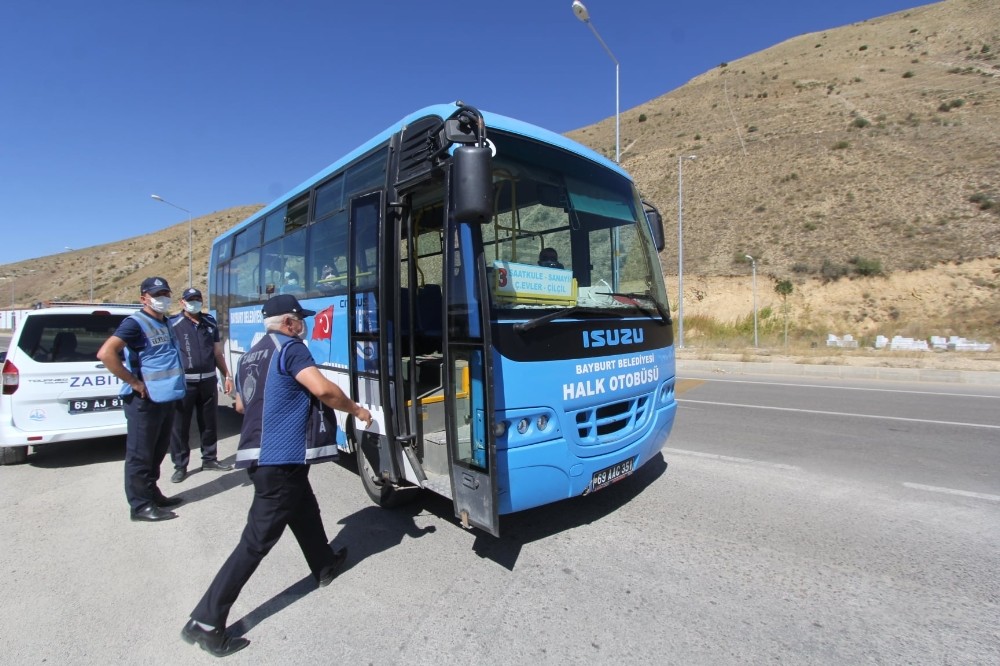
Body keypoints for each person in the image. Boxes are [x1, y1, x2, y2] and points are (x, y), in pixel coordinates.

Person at [181, 293, 373, 657]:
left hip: (261, 455)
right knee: (255, 542)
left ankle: (324, 563)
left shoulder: (253, 353)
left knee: (305, 507)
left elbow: (240, 403)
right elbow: (323, 390)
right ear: (288, 322)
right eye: (301, 319)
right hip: (279, 459)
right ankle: (206, 621)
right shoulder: (292, 348)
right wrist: (355, 409)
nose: (305, 325)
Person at [96, 276, 187, 522]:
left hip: (164, 398)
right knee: (140, 454)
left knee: (157, 450)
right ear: (143, 298)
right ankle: (140, 506)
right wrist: (134, 383)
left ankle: (152, 493)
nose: (162, 298)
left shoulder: (166, 322)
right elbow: (106, 353)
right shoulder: (135, 323)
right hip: (143, 401)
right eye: (156, 294)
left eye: (165, 293)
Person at [168, 287, 235, 483]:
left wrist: (227, 376)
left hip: (207, 381)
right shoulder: (173, 323)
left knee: (209, 423)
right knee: (180, 426)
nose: (194, 302)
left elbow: (217, 352)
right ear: (182, 302)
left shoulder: (210, 322)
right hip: (184, 383)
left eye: (197, 299)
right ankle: (180, 465)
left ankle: (210, 459)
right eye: (190, 299)